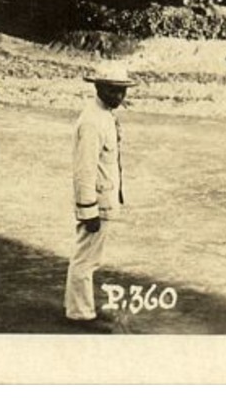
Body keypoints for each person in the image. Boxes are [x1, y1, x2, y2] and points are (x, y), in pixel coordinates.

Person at [66, 66, 133, 326]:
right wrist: (88, 209)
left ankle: (79, 306)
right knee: (86, 258)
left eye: (122, 90)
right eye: (112, 89)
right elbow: (84, 169)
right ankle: (80, 313)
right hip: (97, 201)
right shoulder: (92, 121)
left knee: (89, 256)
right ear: (98, 87)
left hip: (106, 198)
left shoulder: (105, 115)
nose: (118, 95)